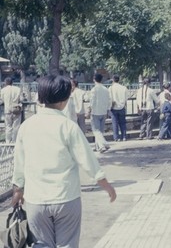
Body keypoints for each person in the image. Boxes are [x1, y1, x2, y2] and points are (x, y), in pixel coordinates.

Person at [11, 75, 116, 248]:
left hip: (36, 200)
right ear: (64, 100)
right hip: (66, 198)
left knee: (41, 245)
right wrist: (106, 185)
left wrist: (18, 189)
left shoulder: (26, 127)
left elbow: (19, 163)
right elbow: (87, 160)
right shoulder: (68, 126)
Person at [87, 73, 111, 153]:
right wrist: (107, 109)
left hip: (95, 111)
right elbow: (109, 100)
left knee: (96, 130)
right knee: (100, 130)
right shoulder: (105, 89)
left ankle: (103, 145)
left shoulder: (94, 89)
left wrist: (90, 109)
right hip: (103, 111)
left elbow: (92, 101)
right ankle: (97, 146)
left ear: (94, 79)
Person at [0, 77, 22, 143]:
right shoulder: (18, 89)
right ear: (12, 82)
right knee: (16, 127)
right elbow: (21, 99)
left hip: (7, 111)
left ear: (5, 83)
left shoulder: (3, 90)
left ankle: (8, 142)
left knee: (8, 127)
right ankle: (15, 142)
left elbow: (1, 101)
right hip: (16, 110)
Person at [109, 75, 128, 141]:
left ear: (113, 80)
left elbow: (110, 98)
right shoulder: (124, 88)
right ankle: (124, 136)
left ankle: (116, 138)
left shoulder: (110, 88)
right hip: (122, 107)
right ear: (119, 80)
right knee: (123, 123)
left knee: (115, 123)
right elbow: (126, 99)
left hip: (114, 107)